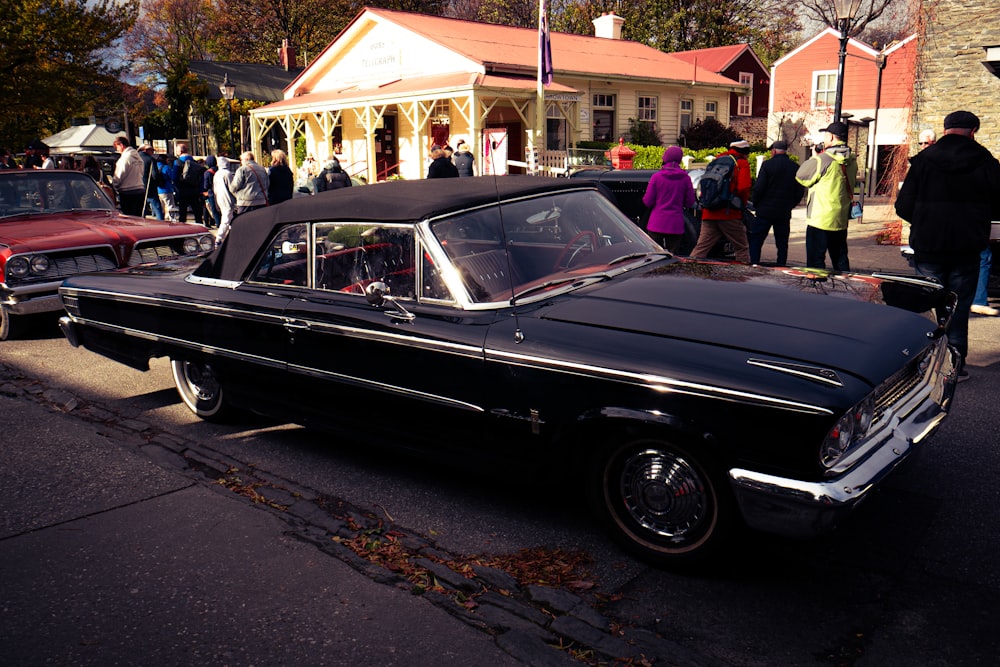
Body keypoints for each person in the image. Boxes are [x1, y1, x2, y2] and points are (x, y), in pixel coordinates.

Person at [896, 110, 1000, 380]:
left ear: (945, 130)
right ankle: (953, 366)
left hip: (929, 243)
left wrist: (924, 220)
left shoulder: (924, 161)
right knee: (959, 307)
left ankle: (924, 364)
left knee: (929, 308)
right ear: (973, 131)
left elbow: (903, 205)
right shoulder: (986, 162)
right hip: (966, 245)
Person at [795, 122, 858, 271]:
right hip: (840, 219)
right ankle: (844, 290)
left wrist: (815, 157)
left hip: (820, 219)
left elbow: (801, 176)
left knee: (816, 263)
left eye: (825, 135)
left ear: (830, 136)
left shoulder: (822, 159)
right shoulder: (852, 160)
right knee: (841, 260)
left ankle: (818, 292)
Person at [689, 139, 752, 263]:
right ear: (745, 152)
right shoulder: (741, 163)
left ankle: (690, 272)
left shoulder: (716, 161)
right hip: (729, 213)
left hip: (709, 212)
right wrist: (741, 205)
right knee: (741, 248)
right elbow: (743, 188)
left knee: (701, 248)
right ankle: (741, 278)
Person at [749, 140, 804, 266]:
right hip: (783, 211)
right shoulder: (794, 167)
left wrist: (756, 203)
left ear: (773, 150)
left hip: (765, 210)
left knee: (757, 240)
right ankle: (781, 265)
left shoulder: (767, 165)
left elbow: (759, 188)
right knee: (782, 243)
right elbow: (799, 190)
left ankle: (754, 263)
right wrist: (792, 204)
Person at [641, 145, 696, 253]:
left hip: (656, 223)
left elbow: (647, 201)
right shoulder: (685, 178)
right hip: (675, 224)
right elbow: (690, 202)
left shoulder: (656, 177)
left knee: (654, 255)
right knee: (673, 256)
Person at [111, 136, 147, 216]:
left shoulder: (124, 159)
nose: (117, 150)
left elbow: (119, 175)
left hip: (127, 192)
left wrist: (115, 186)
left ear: (121, 145)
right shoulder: (138, 158)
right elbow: (141, 172)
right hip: (139, 189)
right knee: (138, 217)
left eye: (117, 147)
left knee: (129, 218)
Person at [172, 143, 204, 224]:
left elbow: (174, 177)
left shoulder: (177, 162)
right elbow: (200, 177)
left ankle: (182, 228)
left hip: (182, 191)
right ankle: (199, 225)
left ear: (180, 151)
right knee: (197, 211)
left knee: (183, 212)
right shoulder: (194, 161)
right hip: (194, 190)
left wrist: (176, 188)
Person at [229, 151, 269, 216]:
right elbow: (267, 184)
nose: (241, 162)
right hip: (261, 202)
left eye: (241, 160)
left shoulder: (242, 169)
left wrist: (235, 193)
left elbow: (234, 186)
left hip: (246, 203)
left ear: (247, 159)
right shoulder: (262, 169)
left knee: (244, 223)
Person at [213, 155, 238, 244]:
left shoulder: (217, 174)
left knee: (228, 218)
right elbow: (232, 188)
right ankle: (219, 237)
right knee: (226, 219)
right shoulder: (227, 174)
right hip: (227, 198)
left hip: (220, 198)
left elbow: (215, 189)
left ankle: (229, 236)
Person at [137, 145, 164, 220]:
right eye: (152, 150)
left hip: (137, 186)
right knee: (157, 207)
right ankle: (160, 224)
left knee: (142, 208)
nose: (153, 152)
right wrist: (158, 183)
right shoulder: (150, 159)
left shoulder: (135, 159)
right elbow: (155, 174)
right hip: (150, 187)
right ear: (146, 150)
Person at [156, 155, 178, 221]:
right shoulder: (166, 167)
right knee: (170, 205)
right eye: (167, 160)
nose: (168, 161)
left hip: (158, 189)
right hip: (167, 189)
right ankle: (172, 219)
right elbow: (172, 177)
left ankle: (161, 220)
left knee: (161, 207)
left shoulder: (155, 166)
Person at [202, 155, 219, 227]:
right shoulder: (219, 170)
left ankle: (217, 223)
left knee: (212, 209)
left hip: (210, 193)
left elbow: (206, 185)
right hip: (219, 192)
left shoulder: (207, 172)